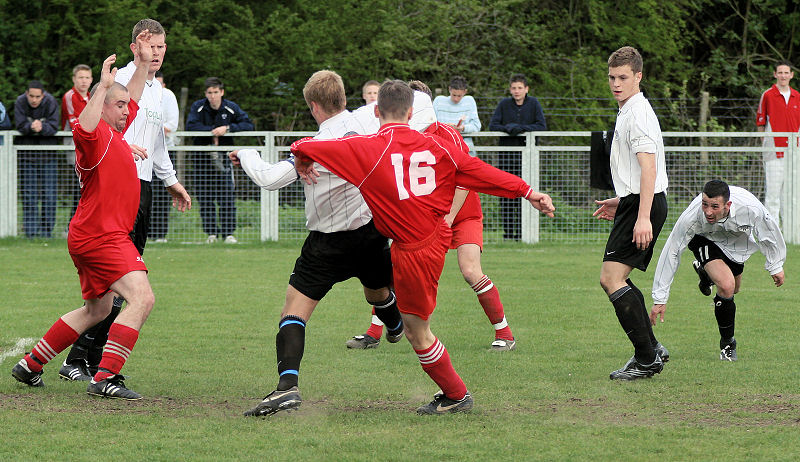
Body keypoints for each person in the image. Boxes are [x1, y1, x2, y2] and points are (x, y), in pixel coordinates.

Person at [286, 80, 555, 415]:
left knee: (418, 332)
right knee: (400, 309)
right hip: (428, 239)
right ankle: (426, 361)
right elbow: (479, 171)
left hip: (415, 250)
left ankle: (457, 395)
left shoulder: (367, 148)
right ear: (411, 112)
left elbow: (312, 144)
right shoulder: (437, 147)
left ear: (375, 111)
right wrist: (527, 191)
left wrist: (300, 154)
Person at [234, 70, 403, 417]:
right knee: (376, 293)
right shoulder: (368, 122)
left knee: (294, 311)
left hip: (326, 244)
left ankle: (287, 388)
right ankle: (396, 325)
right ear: (343, 97)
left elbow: (269, 179)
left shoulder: (317, 146)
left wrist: (246, 152)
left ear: (313, 106)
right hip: (369, 233)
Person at [11, 34, 164, 399]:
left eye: (128, 105)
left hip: (93, 234)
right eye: (120, 105)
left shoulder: (116, 134)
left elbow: (135, 95)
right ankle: (105, 377)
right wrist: (104, 87)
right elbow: (87, 121)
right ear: (105, 105)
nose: (128, 110)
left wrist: (142, 62)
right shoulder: (93, 136)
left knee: (97, 309)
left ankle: (30, 365)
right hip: (102, 236)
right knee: (142, 298)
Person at [57, 18, 191, 382]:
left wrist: (171, 181)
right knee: (123, 286)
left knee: (123, 286)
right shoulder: (123, 82)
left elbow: (156, 144)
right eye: (152, 47)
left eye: (163, 48)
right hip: (113, 193)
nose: (158, 54)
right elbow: (96, 130)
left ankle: (86, 359)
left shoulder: (159, 92)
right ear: (137, 46)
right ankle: (82, 359)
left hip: (141, 189)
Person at [348, 80, 517, 352]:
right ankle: (375, 332)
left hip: (462, 214)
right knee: (392, 269)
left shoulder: (447, 135)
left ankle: (504, 334)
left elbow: (465, 179)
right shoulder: (405, 136)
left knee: (471, 271)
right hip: (426, 219)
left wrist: (449, 217)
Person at [593, 46, 670, 381]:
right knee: (617, 278)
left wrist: (641, 215)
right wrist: (620, 200)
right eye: (612, 77)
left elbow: (649, 169)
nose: (616, 84)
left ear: (638, 76)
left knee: (611, 278)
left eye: (623, 77)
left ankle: (646, 358)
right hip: (636, 202)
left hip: (645, 205)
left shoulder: (637, 113)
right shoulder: (629, 109)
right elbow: (636, 173)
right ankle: (652, 349)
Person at [650, 180, 786, 361]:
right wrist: (660, 298)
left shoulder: (750, 208)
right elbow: (671, 251)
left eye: (715, 206)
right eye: (704, 204)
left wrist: (775, 265)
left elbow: (768, 233)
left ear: (728, 205)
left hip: (736, 244)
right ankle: (728, 344)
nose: (708, 211)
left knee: (734, 289)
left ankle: (705, 273)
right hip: (704, 239)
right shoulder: (692, 217)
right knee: (727, 286)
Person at [187, 77, 254, 244]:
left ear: (222, 92)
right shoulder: (198, 107)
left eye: (216, 92)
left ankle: (228, 234)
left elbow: (248, 124)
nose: (213, 96)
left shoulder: (231, 107)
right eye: (209, 92)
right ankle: (211, 234)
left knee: (226, 197)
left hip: (224, 160)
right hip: (202, 160)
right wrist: (212, 131)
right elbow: (190, 126)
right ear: (205, 93)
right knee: (205, 198)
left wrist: (228, 129)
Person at [488, 73, 547, 240]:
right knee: (507, 194)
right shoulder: (504, 104)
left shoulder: (534, 104)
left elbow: (541, 126)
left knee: (525, 194)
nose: (516, 91)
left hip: (527, 158)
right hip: (507, 156)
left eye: (520, 88)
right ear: (510, 89)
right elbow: (493, 125)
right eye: (513, 88)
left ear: (526, 89)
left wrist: (521, 128)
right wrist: (509, 128)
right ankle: (508, 234)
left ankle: (522, 235)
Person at [755, 61, 800, 225]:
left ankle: (791, 230)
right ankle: (772, 230)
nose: (783, 76)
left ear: (791, 75)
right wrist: (767, 145)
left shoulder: (798, 97)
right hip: (774, 153)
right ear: (775, 74)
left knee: (791, 195)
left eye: (786, 72)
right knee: (773, 194)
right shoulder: (768, 95)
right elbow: (760, 123)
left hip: (794, 154)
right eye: (780, 72)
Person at [14, 80, 60, 238]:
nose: (34, 100)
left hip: (48, 156)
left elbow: (54, 126)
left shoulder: (51, 102)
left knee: (49, 195)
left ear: (43, 95)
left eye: (37, 96)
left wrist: (42, 127)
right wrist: (30, 127)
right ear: (26, 94)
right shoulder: (20, 102)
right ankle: (30, 233)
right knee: (29, 195)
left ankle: (47, 232)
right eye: (31, 96)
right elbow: (19, 125)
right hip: (27, 156)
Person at [150, 70, 181, 243]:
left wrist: (150, 130)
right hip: (144, 152)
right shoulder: (142, 93)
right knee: (144, 192)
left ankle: (160, 234)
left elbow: (171, 126)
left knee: (163, 193)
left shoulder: (168, 96)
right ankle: (143, 233)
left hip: (166, 150)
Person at [61, 64, 93, 224]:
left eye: (87, 77)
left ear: (92, 79)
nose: (84, 81)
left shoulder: (92, 97)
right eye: (80, 77)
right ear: (74, 79)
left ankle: (86, 222)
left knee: (88, 188)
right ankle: (72, 224)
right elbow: (75, 122)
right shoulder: (69, 96)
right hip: (75, 149)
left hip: (90, 147)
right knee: (77, 187)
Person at [432, 75, 481, 153]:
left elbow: (477, 126)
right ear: (449, 89)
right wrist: (446, 127)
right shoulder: (438, 101)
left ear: (465, 92)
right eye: (454, 95)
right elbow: (431, 125)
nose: (456, 99)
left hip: (465, 150)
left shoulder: (470, 101)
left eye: (459, 96)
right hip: (443, 148)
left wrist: (463, 128)